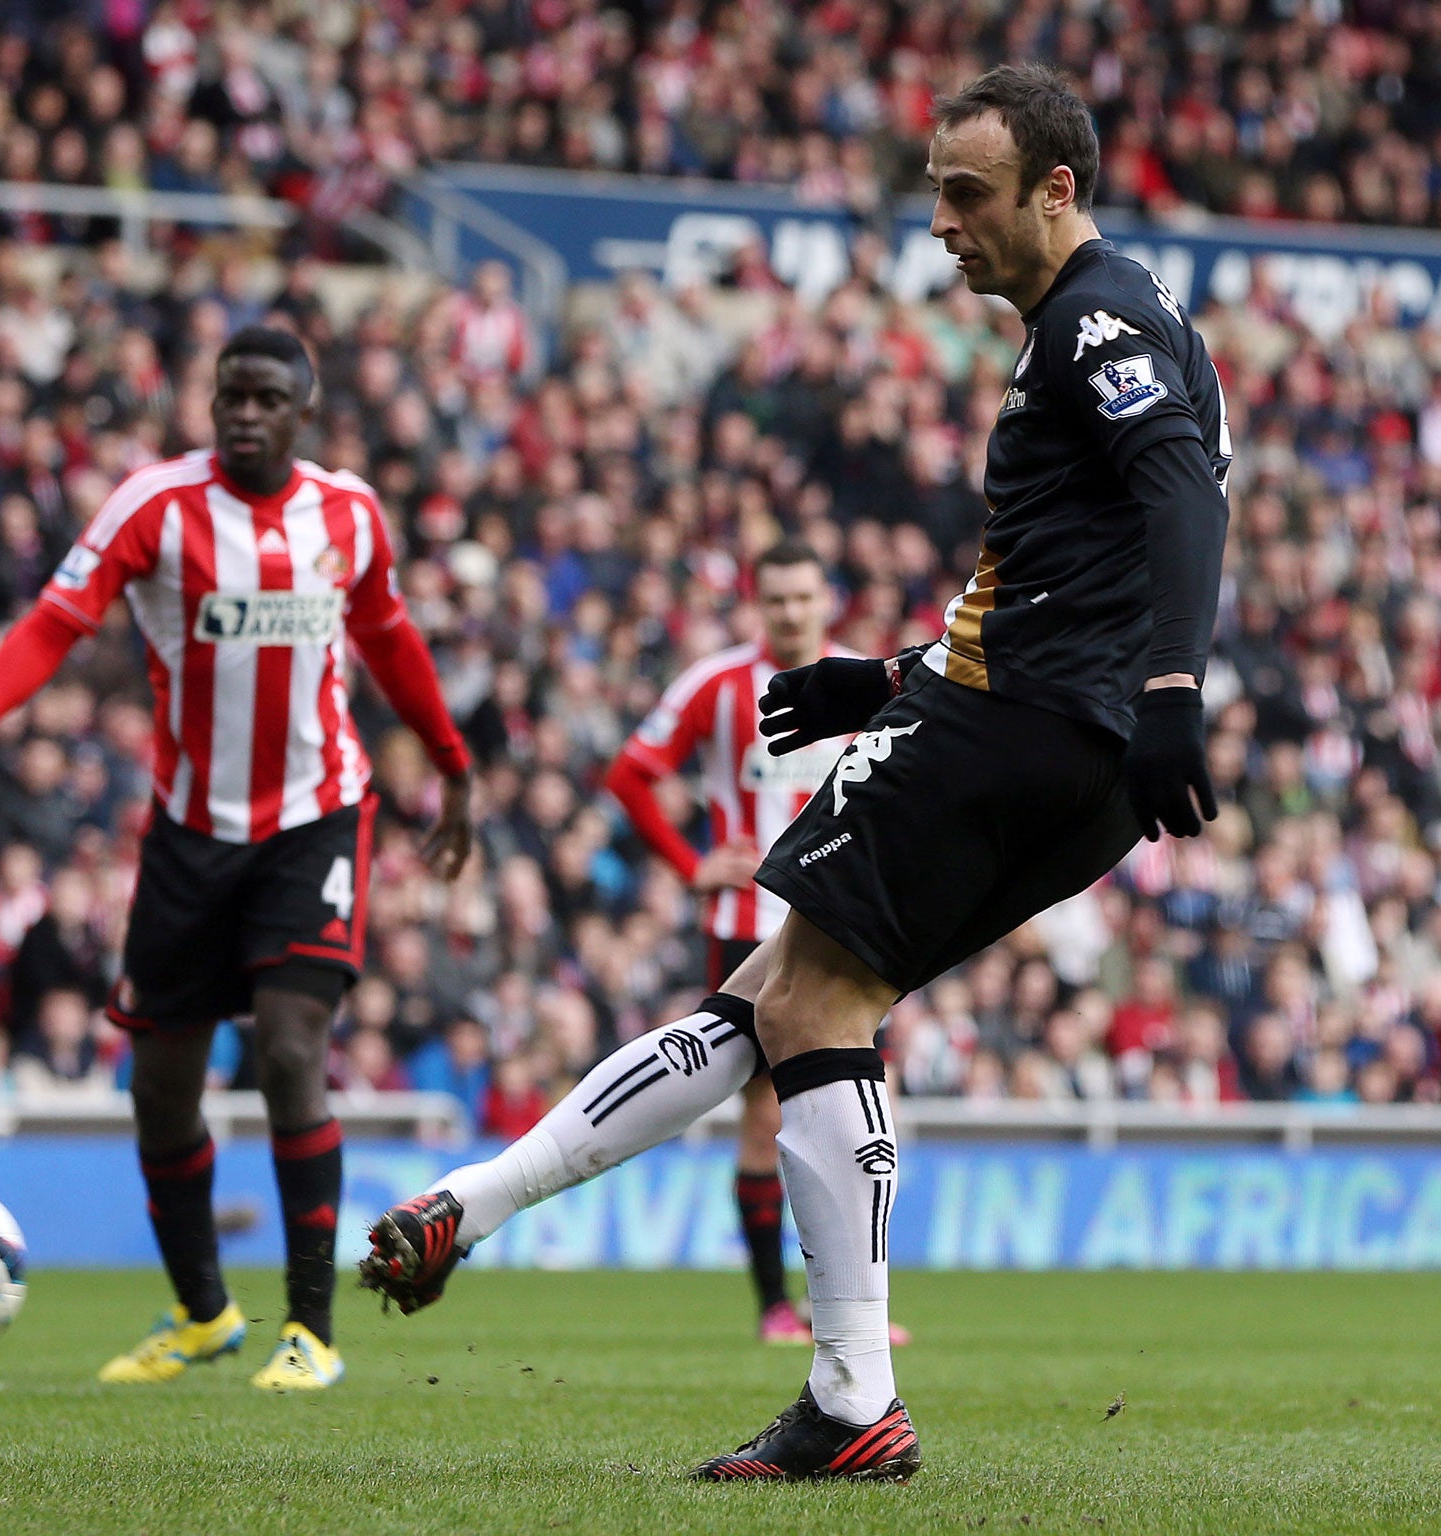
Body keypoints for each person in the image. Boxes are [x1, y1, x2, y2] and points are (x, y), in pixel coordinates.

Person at [372, 63, 1232, 1483]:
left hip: (1028, 720)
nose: (942, 223)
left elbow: (1181, 492)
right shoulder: (1086, 326)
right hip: (1057, 739)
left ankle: (849, 1396)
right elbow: (1070, 573)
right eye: (933, 193)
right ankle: (476, 1203)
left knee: (817, 1000)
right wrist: (881, 678)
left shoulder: (1099, 321)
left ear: (1057, 190)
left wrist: (1175, 689)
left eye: (969, 194)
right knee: (781, 997)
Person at [0, 326, 474, 1392]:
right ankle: (203, 1311)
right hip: (186, 830)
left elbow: (391, 640)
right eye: (229, 396)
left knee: (288, 1051)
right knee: (161, 1087)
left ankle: (310, 1329)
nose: (243, 414)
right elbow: (53, 620)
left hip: (314, 818)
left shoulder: (344, 514)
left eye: (265, 397)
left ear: (301, 409)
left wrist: (452, 764)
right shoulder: (152, 506)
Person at [363, 543, 911, 1349]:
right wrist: (693, 865)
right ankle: (779, 1309)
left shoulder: (865, 685)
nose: (790, 613)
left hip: (847, 927)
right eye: (777, 600)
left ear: (825, 600)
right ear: (757, 602)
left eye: (803, 598)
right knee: (769, 1118)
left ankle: (841, 1311)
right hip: (749, 928)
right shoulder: (720, 686)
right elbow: (630, 774)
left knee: (844, 1111)